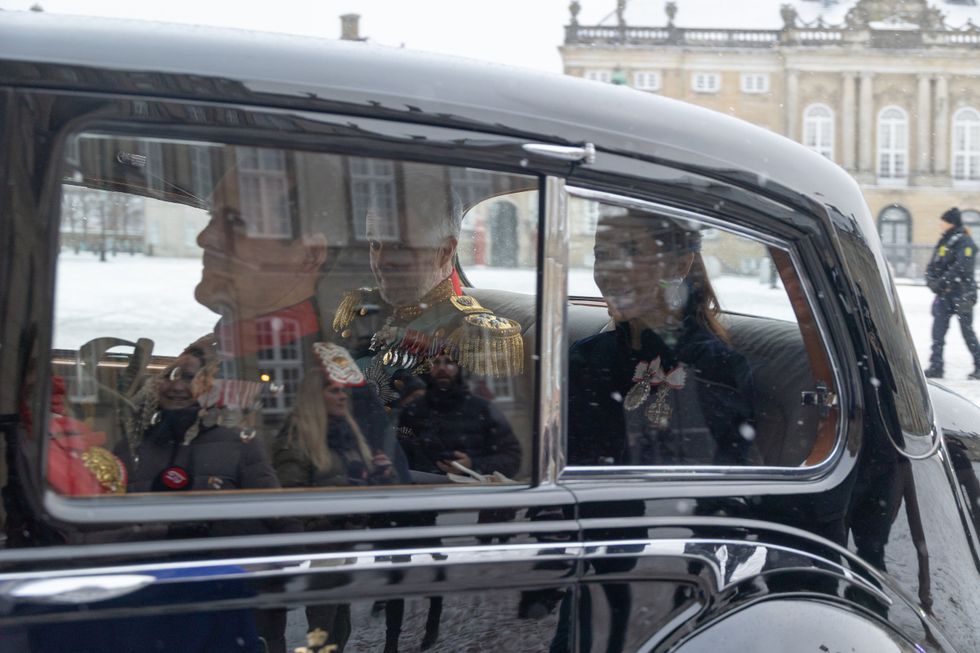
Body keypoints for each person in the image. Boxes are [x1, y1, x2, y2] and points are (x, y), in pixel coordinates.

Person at [568, 209, 759, 467]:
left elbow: (705, 488)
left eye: (632, 252)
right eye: (602, 255)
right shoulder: (585, 357)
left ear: (680, 264)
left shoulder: (714, 367)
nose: (609, 272)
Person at [331, 168, 524, 404]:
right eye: (375, 243)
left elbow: (480, 430)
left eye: (400, 247)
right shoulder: (360, 310)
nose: (380, 261)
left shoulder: (475, 339)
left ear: (444, 251)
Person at [397, 352, 521, 478]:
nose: (441, 368)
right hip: (422, 491)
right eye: (435, 362)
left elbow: (511, 459)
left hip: (472, 492)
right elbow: (397, 456)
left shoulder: (482, 410)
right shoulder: (413, 411)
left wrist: (472, 465)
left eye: (449, 362)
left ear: (459, 368)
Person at [923, 207, 980, 379]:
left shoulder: (965, 242)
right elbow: (933, 264)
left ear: (951, 222)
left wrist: (940, 282)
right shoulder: (944, 241)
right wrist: (931, 280)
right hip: (944, 295)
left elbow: (962, 266)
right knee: (937, 332)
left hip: (962, 294)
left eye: (943, 221)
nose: (940, 224)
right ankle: (936, 366)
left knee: (967, 332)